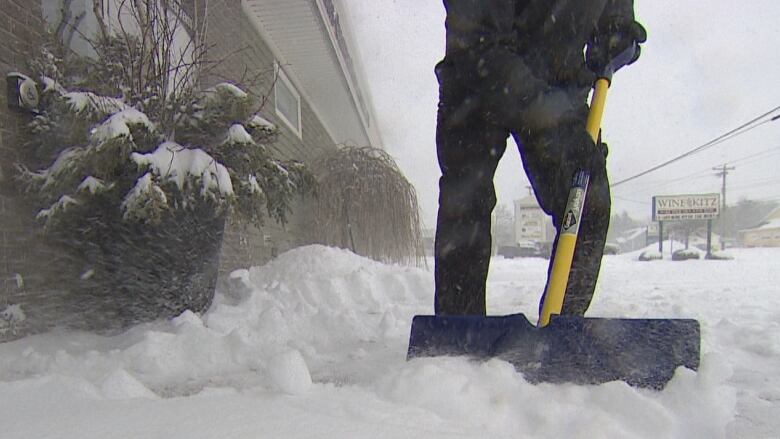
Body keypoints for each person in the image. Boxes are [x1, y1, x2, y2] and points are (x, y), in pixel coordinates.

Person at [434, 0, 646, 316]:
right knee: (466, 203)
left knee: (586, 199)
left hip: (560, 78)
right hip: (477, 75)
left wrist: (617, 23)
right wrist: (552, 116)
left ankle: (561, 330)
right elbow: (479, 37)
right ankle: (457, 337)